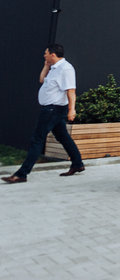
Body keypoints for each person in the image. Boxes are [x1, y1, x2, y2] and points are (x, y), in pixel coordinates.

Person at [3, 45, 85, 184]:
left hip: (53, 110)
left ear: (53, 54)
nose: (44, 55)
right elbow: (42, 80)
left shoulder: (66, 69)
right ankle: (77, 164)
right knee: (63, 137)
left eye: (46, 53)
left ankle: (22, 174)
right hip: (51, 109)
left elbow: (71, 91)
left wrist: (72, 110)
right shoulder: (54, 68)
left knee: (37, 139)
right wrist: (46, 66)